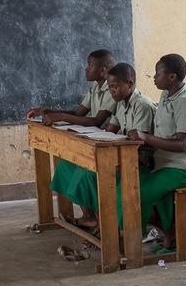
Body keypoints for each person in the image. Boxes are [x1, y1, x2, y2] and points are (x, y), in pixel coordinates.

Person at [48, 63, 157, 231]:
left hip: (138, 160)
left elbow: (138, 144)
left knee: (90, 175)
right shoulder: (120, 103)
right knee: (66, 165)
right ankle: (90, 217)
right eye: (110, 88)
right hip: (119, 154)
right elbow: (109, 130)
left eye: (115, 87)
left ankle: (106, 227)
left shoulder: (142, 105)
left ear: (130, 84)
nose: (111, 91)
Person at [128, 54, 186, 253]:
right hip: (162, 161)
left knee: (137, 195)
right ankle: (170, 235)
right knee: (129, 182)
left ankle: (143, 239)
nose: (154, 77)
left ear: (172, 76)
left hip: (181, 165)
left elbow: (181, 144)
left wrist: (145, 137)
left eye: (157, 73)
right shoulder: (166, 94)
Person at [26, 49, 116, 128]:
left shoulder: (113, 89)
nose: (86, 69)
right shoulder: (95, 86)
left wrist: (62, 116)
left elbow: (96, 121)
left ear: (102, 70)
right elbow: (78, 114)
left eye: (90, 66)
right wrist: (45, 110)